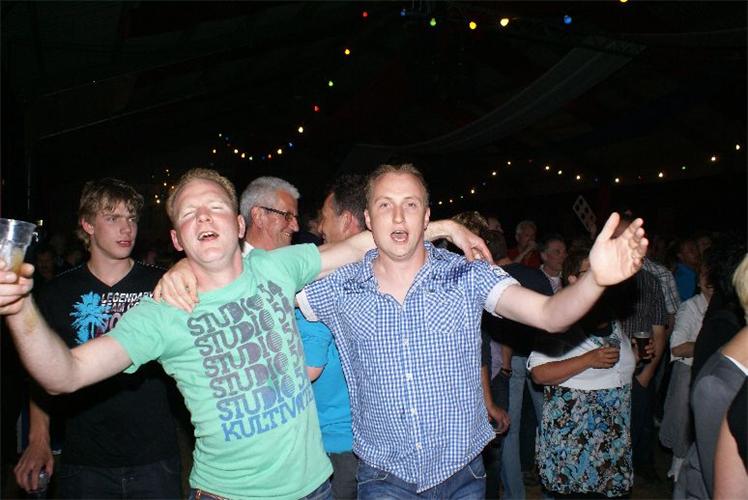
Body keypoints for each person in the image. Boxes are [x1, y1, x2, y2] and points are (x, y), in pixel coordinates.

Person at [0, 168, 489, 500]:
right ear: (176, 239)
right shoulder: (163, 312)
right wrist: (19, 306)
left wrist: (444, 226)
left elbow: (364, 242)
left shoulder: (278, 268)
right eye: (188, 214)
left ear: (238, 224)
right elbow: (64, 375)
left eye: (214, 207)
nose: (202, 217)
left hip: (315, 488)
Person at [296, 163, 647, 498]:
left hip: (461, 474)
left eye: (411, 205)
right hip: (385, 476)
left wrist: (595, 280)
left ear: (426, 216)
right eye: (385, 205)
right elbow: (275, 277)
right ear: (369, 219)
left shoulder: (466, 274)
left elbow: (550, 314)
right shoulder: (339, 287)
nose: (399, 217)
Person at [14, 178, 181, 498]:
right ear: (88, 224)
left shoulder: (163, 284)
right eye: (113, 217)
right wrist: (38, 439)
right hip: (86, 459)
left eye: (131, 217)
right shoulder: (57, 293)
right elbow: (39, 374)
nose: (127, 228)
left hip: (154, 457)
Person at [529, 249, 649, 498]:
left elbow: (614, 367)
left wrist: (636, 357)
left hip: (612, 436)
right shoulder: (561, 320)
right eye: (591, 272)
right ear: (572, 279)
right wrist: (588, 360)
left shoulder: (610, 318)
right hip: (577, 439)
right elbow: (539, 373)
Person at [659, 266, 713, 481]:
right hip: (689, 370)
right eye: (706, 276)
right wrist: (712, 343)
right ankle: (678, 468)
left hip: (712, 373)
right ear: (699, 281)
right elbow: (677, 347)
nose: (711, 282)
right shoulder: (690, 307)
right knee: (683, 419)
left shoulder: (727, 309)